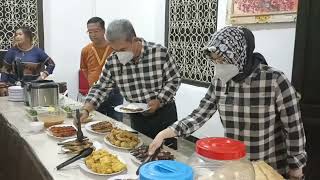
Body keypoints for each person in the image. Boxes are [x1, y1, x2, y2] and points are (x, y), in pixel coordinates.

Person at [149, 26, 307, 178]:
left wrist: (296, 168)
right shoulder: (220, 82)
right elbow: (199, 115)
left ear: (240, 54)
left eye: (224, 59)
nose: (219, 66)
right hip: (236, 167)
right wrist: (165, 133)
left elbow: (293, 128)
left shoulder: (274, 81)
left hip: (269, 167)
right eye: (215, 60)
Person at [81, 19, 181, 149]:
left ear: (135, 40)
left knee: (167, 155)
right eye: (115, 50)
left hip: (163, 115)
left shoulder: (159, 53)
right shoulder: (113, 62)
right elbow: (101, 87)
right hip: (138, 117)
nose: (119, 55)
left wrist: (159, 100)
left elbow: (174, 79)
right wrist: (86, 110)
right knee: (141, 151)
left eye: (123, 49)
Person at [80, 17, 123, 121]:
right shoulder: (85, 50)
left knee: (116, 121)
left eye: (96, 31)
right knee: (96, 121)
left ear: (104, 30)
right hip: (95, 92)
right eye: (90, 32)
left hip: (114, 91)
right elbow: (84, 68)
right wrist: (92, 81)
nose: (93, 34)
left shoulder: (114, 47)